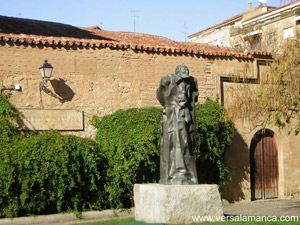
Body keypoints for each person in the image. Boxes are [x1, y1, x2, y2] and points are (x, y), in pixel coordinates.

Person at [156, 65, 199, 185]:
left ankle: (187, 175)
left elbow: (192, 97)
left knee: (185, 144)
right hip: (172, 116)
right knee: (173, 144)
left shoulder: (190, 82)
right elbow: (160, 97)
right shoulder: (168, 81)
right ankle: (175, 174)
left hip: (183, 116)